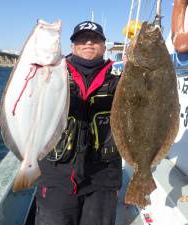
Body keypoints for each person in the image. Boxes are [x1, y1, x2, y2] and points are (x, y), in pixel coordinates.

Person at [34, 21, 122, 225]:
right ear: (72, 46)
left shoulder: (121, 79)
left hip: (104, 177)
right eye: (82, 38)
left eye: (95, 39)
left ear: (104, 45)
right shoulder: (52, 72)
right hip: (57, 176)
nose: (88, 42)